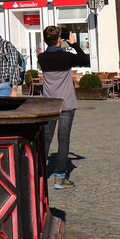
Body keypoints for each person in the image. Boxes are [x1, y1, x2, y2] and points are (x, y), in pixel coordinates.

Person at [38, 26, 90, 188]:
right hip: (66, 102)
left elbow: (50, 53)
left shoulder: (42, 57)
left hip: (49, 104)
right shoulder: (67, 57)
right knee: (63, 139)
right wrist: (74, 44)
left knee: (46, 139)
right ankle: (60, 177)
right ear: (60, 39)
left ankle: (39, 174)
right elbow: (85, 59)